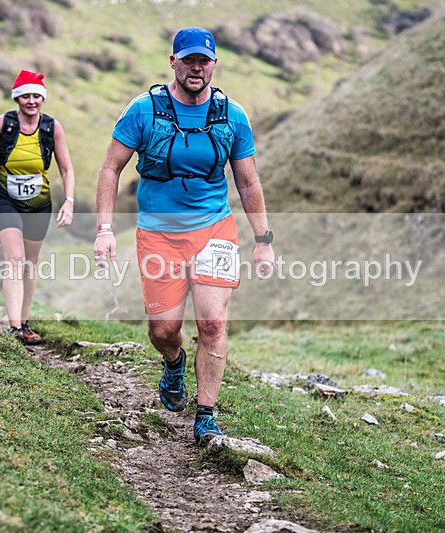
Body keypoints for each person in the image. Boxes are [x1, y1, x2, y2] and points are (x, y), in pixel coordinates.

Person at [94, 27, 275, 444]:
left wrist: (263, 240)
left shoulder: (233, 115)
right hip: (158, 235)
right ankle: (173, 362)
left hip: (215, 230)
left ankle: (206, 414)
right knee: (163, 329)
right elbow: (110, 168)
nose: (197, 68)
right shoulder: (143, 110)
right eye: (189, 60)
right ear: (173, 61)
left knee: (212, 322)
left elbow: (248, 182)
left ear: (214, 64)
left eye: (204, 61)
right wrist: (104, 230)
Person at [0, 69, 75, 344]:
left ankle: (24, 323)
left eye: (36, 96)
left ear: (42, 99)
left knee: (29, 264)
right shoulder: (1, 125)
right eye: (25, 95)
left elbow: (66, 168)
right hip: (6, 200)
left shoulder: (52, 128)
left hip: (39, 204)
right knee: (14, 259)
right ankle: (14, 327)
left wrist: (69, 201)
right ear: (16, 98)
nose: (31, 101)